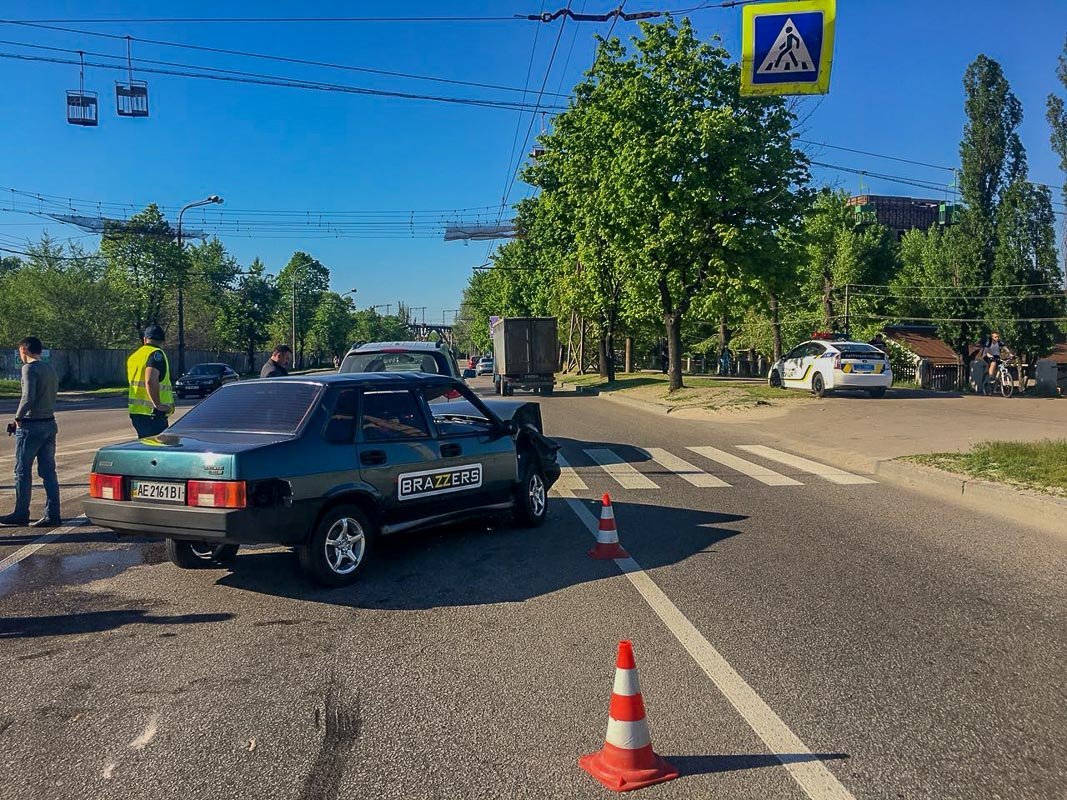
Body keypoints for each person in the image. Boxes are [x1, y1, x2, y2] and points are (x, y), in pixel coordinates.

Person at [1, 336, 61, 527]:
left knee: (22, 471)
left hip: (31, 426)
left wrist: (17, 418)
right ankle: (53, 514)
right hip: (49, 423)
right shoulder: (50, 369)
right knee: (48, 472)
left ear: (23, 350)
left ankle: (21, 513)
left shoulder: (29, 368)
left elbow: (28, 397)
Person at [127, 325, 174, 439]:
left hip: (137, 412)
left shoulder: (135, 356)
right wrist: (158, 405)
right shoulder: (156, 354)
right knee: (158, 447)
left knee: (146, 445)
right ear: (163, 341)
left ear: (145, 339)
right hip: (153, 413)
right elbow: (150, 381)